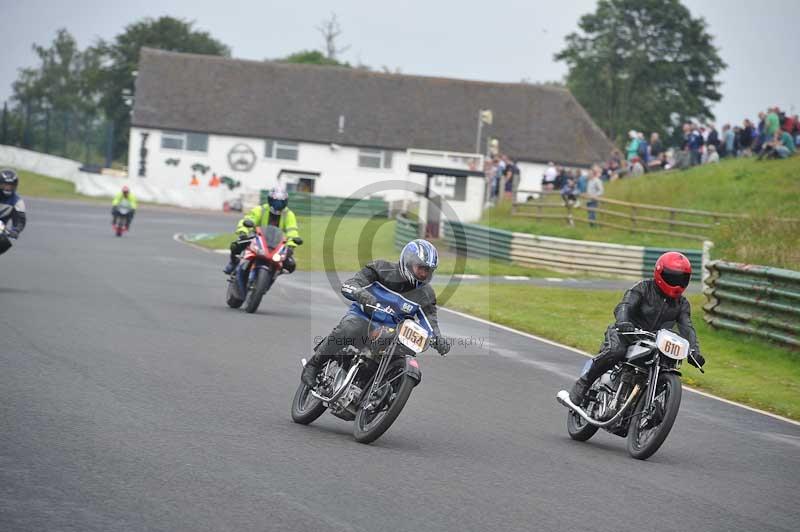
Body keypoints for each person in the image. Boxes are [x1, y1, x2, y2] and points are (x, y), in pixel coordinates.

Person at [301, 239, 450, 387]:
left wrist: (438, 338)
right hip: (364, 318)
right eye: (421, 268)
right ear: (409, 262)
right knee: (350, 327)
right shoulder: (381, 269)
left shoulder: (426, 294)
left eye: (428, 271)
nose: (424, 274)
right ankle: (314, 365)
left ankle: (380, 396)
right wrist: (361, 294)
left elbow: (430, 321)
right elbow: (350, 284)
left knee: (404, 360)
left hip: (393, 333)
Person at [569, 252, 705, 405]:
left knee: (666, 364)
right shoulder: (643, 288)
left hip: (655, 342)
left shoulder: (682, 304)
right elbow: (625, 305)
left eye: (682, 279)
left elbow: (687, 327)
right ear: (659, 272)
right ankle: (583, 384)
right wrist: (623, 321)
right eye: (672, 277)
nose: (677, 283)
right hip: (627, 333)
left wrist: (694, 350)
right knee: (616, 351)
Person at [224, 187, 300, 274]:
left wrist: (291, 245)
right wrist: (243, 232)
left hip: (277, 244)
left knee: (291, 265)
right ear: (269, 200)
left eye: (281, 202)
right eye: (275, 201)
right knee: (236, 245)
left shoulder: (289, 215)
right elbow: (248, 219)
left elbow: (293, 231)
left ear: (285, 202)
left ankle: (275, 272)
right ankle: (233, 263)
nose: (277, 205)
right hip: (256, 239)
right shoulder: (260, 209)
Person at [0, 169, 26, 256]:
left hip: (1, 228)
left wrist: (15, 230)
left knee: (4, 243)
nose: (7, 188)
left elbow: (20, 220)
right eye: (5, 185)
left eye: (10, 185)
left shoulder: (17, 201)